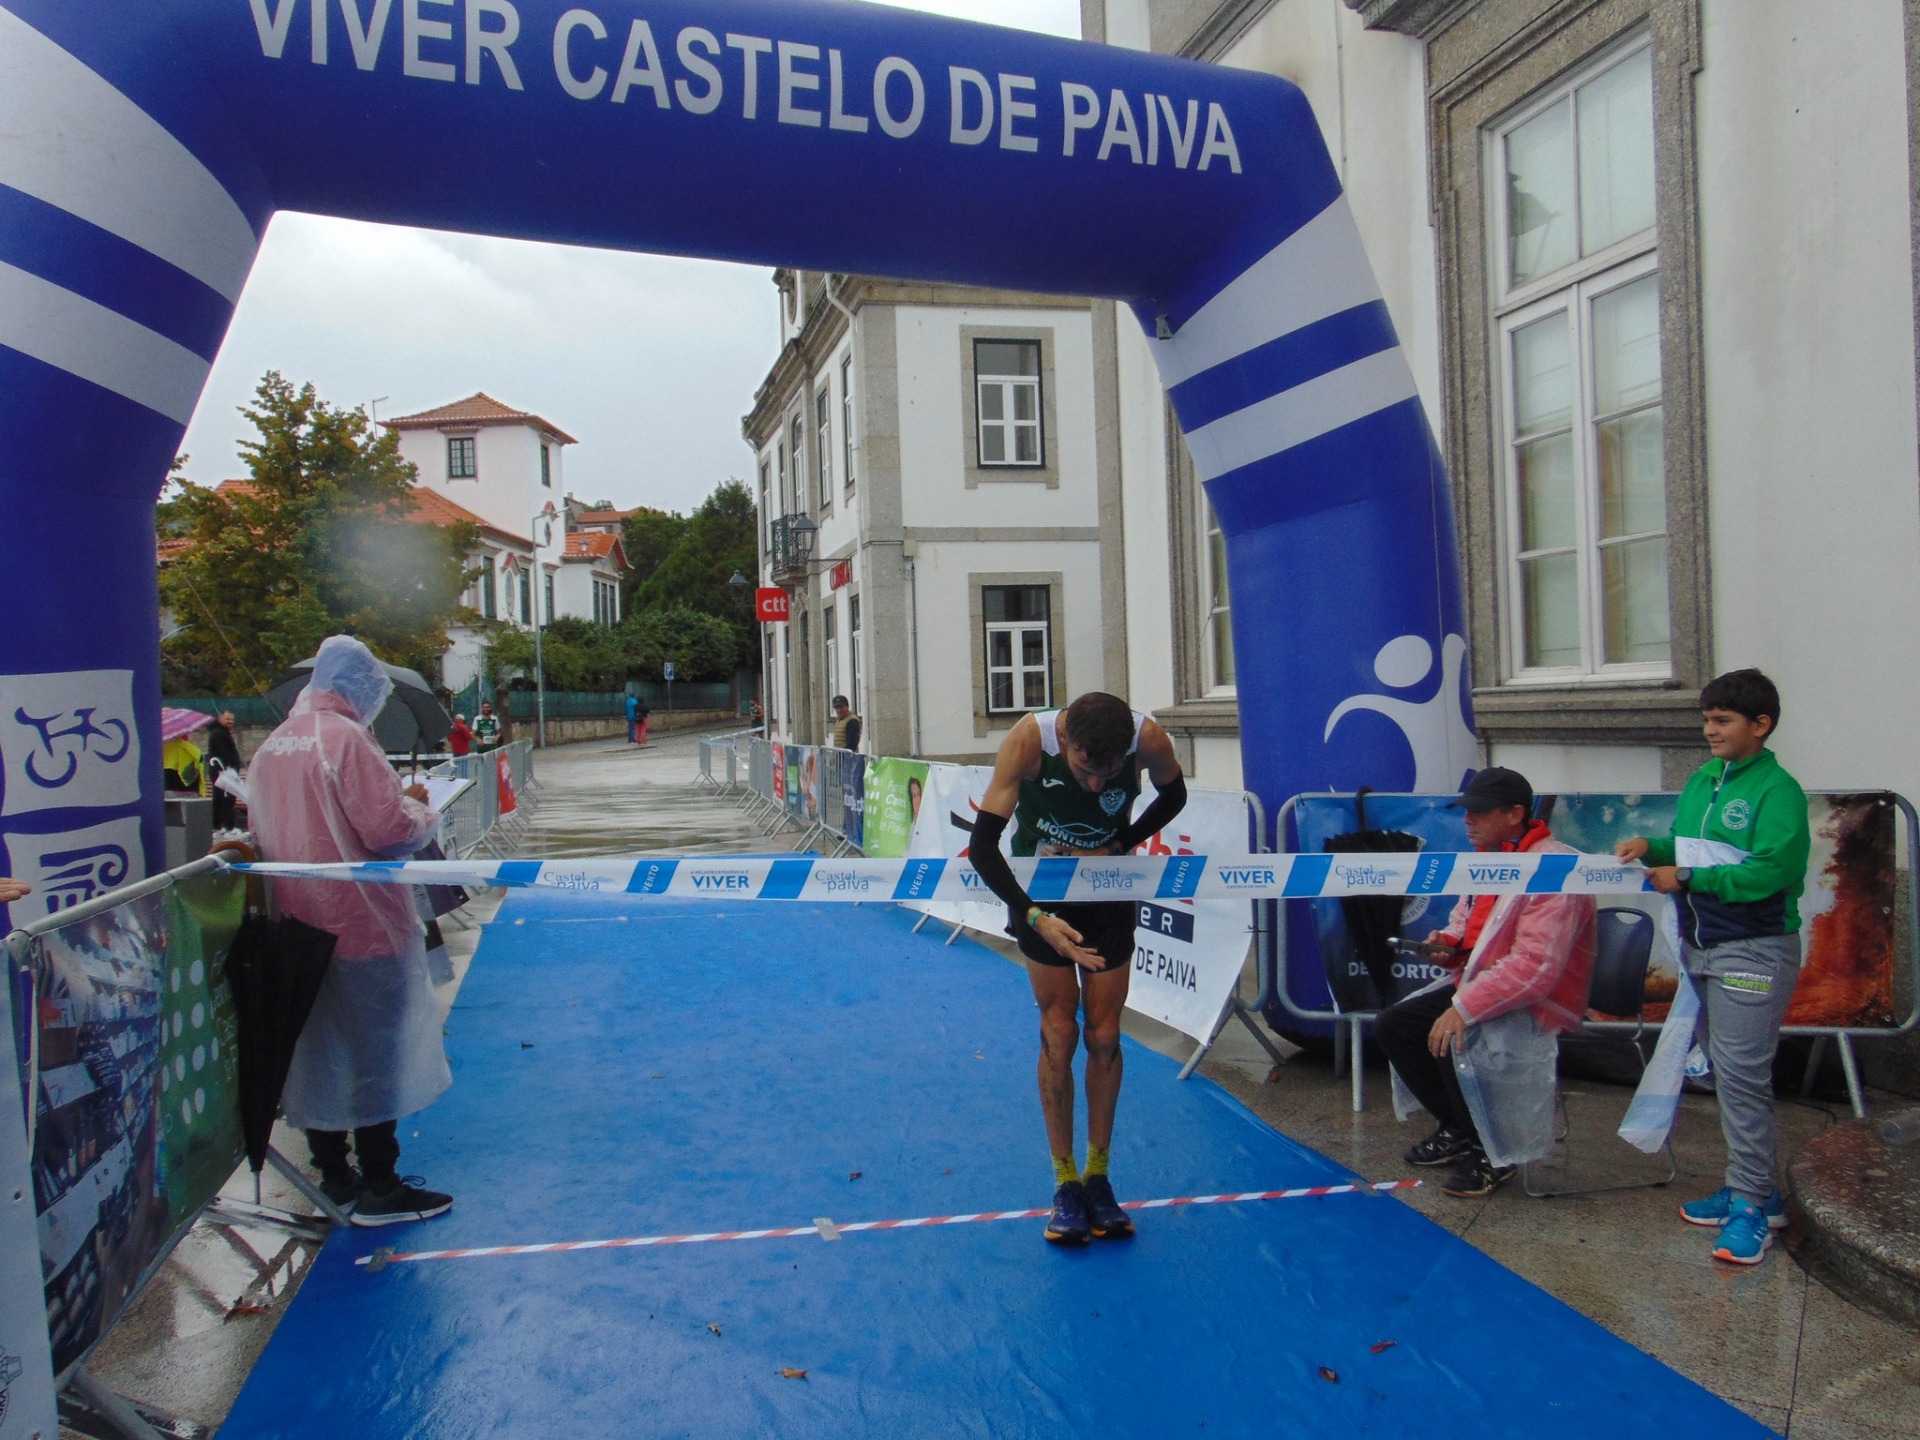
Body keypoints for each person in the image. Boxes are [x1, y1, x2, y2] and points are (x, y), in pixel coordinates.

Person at [247, 635, 454, 1227]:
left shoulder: (273, 747)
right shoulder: (344, 741)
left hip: (297, 928)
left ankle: (334, 1175)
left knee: (319, 1050)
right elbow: (388, 828)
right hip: (361, 925)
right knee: (373, 1056)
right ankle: (382, 1185)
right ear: (359, 687)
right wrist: (419, 806)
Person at [966, 692, 1187, 1246]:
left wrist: (1121, 843)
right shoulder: (1028, 741)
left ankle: (1099, 1175)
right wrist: (1034, 917)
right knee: (1060, 1032)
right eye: (1086, 769)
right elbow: (983, 848)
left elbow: (1174, 794)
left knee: (1106, 1035)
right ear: (1065, 743)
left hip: (1110, 890)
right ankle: (1064, 1180)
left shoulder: (1150, 738)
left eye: (1109, 775)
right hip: (1041, 896)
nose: (1095, 785)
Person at [1615, 669, 1809, 1266]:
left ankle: (1753, 1206)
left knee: (1744, 1076)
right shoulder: (1704, 780)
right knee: (1725, 1075)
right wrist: (1653, 848)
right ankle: (1755, 1189)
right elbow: (1687, 844)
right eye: (1706, 719)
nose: (1709, 731)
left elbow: (1772, 871)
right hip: (1701, 947)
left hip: (1753, 950)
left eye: (1722, 721)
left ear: (1761, 726)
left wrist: (1690, 877)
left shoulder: (1779, 791)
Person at [1379, 767, 1595, 1199]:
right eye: (1466, 811)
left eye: (1478, 812)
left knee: (1454, 1034)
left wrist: (1463, 1007)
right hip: (1487, 983)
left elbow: (1536, 969)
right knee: (1395, 1025)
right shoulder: (1492, 859)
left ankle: (1491, 1152)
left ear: (1515, 814)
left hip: (1537, 1001)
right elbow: (1466, 923)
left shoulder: (1552, 869)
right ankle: (1461, 1128)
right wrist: (1446, 944)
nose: (1467, 821)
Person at [204, 710, 242, 829]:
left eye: (232, 719)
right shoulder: (219, 734)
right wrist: (230, 768)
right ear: (220, 718)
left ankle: (218, 826)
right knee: (226, 799)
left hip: (221, 771)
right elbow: (223, 753)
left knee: (220, 799)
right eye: (227, 719)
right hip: (223, 771)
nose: (230, 721)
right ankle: (228, 826)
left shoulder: (219, 732)